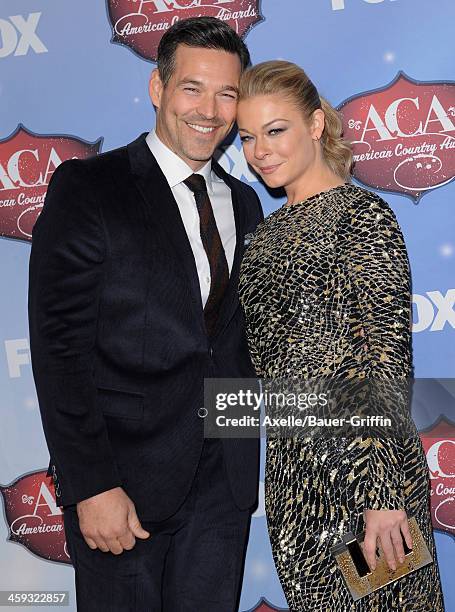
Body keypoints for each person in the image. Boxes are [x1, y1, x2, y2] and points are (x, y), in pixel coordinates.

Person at [28, 17, 263, 612]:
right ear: (157, 89)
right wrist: (91, 485)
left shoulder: (245, 201)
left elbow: (234, 344)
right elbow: (60, 351)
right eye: (192, 88)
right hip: (123, 487)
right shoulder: (90, 186)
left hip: (223, 489)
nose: (209, 110)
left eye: (227, 93)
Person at [236, 60, 445, 611]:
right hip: (294, 483)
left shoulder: (361, 217)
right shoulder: (260, 241)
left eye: (275, 130)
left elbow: (385, 359)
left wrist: (379, 495)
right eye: (248, 137)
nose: (260, 151)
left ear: (315, 125)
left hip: (369, 480)